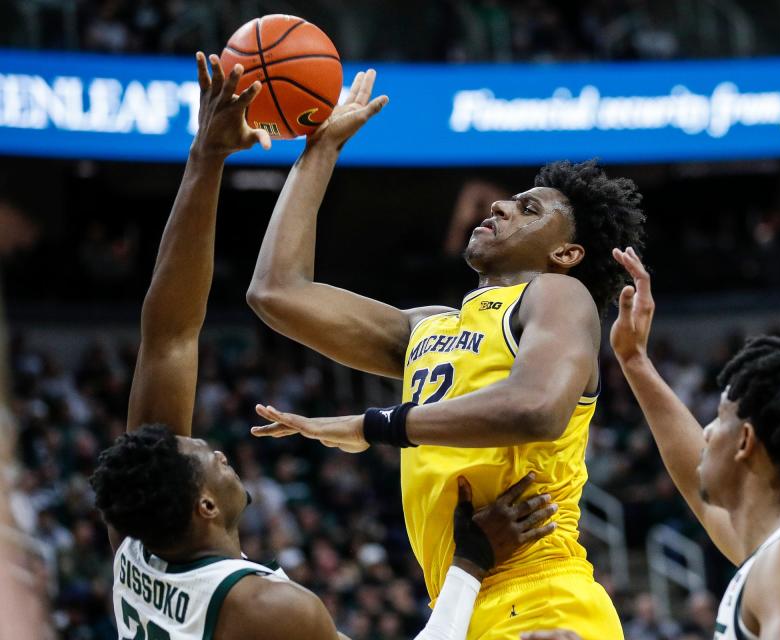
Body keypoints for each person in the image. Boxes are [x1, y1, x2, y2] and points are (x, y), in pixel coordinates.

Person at [89, 53, 556, 640]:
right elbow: (169, 335)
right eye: (209, 458)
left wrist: (206, 158)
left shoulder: (137, 541)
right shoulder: (265, 608)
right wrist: (470, 561)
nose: (216, 449)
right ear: (205, 507)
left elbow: (170, 335)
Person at [246, 69, 645, 639]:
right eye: (511, 199)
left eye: (530, 209)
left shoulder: (557, 295)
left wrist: (374, 425)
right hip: (464, 593)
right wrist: (321, 150)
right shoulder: (427, 328)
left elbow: (537, 407)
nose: (503, 204)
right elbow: (276, 292)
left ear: (566, 251)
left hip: (542, 596)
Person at [525, 247, 780, 639]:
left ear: (745, 441)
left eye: (719, 419)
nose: (706, 432)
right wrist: (634, 361)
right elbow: (698, 488)